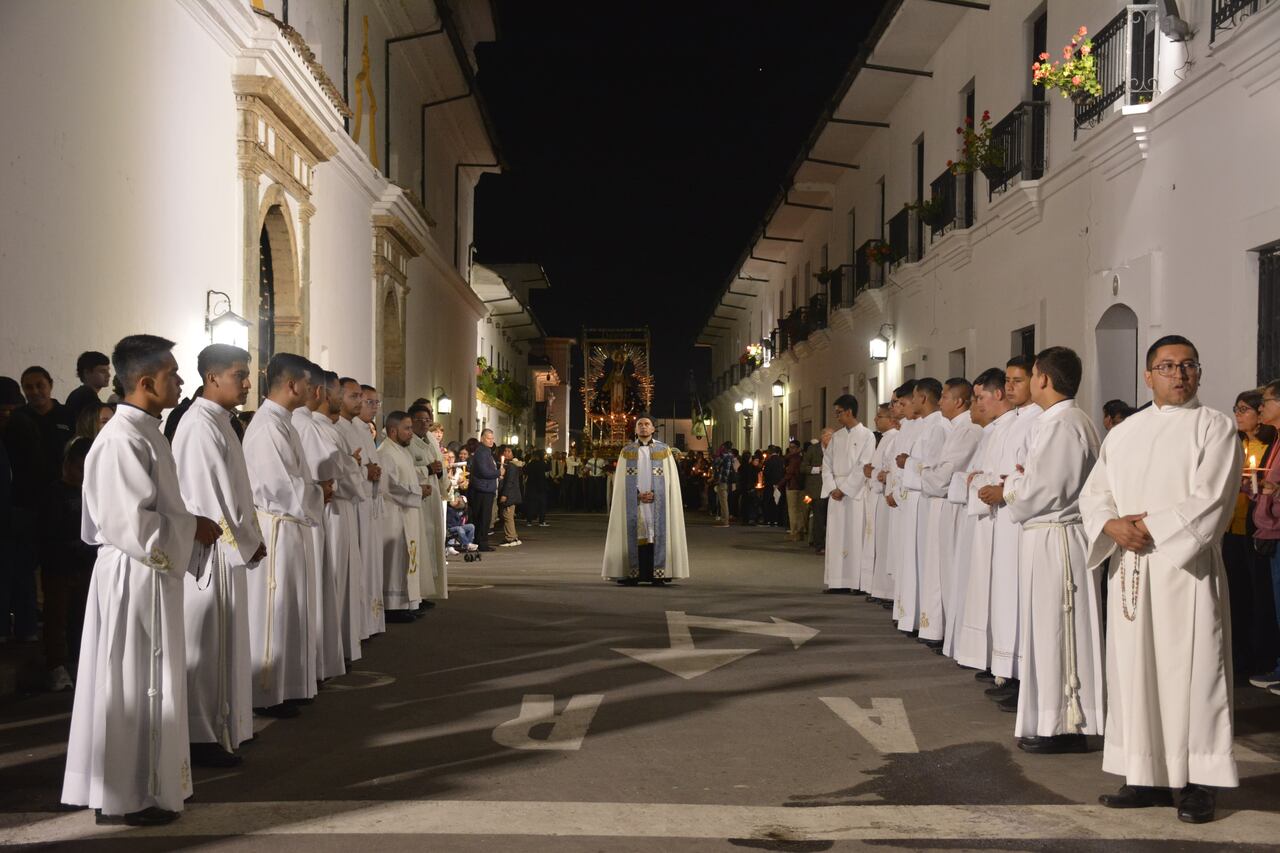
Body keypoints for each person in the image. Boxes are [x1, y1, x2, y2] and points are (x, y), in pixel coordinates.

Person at [63, 335, 221, 826]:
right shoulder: (121, 439)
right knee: (132, 685)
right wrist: (192, 527)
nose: (180, 381)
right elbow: (128, 523)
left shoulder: (147, 430)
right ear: (147, 382)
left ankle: (154, 783)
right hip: (134, 576)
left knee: (150, 681)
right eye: (173, 374)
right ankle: (129, 795)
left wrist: (188, 523)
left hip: (153, 572)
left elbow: (157, 508)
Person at [1081, 334, 1239, 824]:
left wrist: (1146, 526)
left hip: (1184, 571)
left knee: (1192, 674)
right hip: (1131, 567)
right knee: (1135, 671)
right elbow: (1095, 493)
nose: (1179, 374)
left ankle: (1197, 783)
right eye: (1167, 366)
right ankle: (1143, 773)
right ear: (1148, 376)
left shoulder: (1215, 427)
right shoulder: (1124, 433)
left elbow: (1211, 498)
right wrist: (1111, 525)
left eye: (1188, 365)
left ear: (1199, 373)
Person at [996, 347, 1104, 755]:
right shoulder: (1056, 422)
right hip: (1046, 537)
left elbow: (1043, 491)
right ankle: (1051, 719)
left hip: (1058, 540)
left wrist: (1010, 489)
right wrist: (1021, 483)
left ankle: (1068, 723)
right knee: (1046, 629)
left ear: (1043, 379)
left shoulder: (1065, 424)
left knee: (1060, 628)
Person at [171, 344, 267, 765]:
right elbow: (209, 499)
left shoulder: (219, 422)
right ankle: (201, 734)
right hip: (211, 555)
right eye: (239, 374)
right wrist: (244, 541)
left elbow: (235, 490)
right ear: (212, 377)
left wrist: (250, 535)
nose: (247, 383)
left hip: (228, 548)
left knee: (223, 644)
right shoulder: (198, 426)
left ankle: (225, 725)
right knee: (207, 646)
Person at [243, 353, 318, 718]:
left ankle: (290, 685)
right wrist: (318, 492)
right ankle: (268, 691)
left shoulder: (284, 422)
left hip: (291, 525)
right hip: (277, 526)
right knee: (276, 608)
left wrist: (312, 490)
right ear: (292, 385)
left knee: (292, 606)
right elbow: (279, 484)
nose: (311, 390)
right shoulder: (268, 425)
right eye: (306, 383)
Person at [975, 356, 1042, 709]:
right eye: (1009, 380)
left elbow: (1029, 473)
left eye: (1018, 380)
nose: (1011, 387)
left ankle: (1020, 675)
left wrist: (1005, 488)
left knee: (1018, 598)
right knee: (1004, 596)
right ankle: (1006, 668)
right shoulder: (1008, 422)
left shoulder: (1038, 422)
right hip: (1001, 517)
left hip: (1019, 519)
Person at [955, 369, 1016, 674]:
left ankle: (1007, 669)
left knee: (1004, 595)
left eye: (979, 398)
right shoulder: (995, 430)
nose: (975, 405)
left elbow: (1011, 476)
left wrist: (986, 482)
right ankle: (994, 662)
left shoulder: (1018, 426)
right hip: (989, 514)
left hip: (1009, 520)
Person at [915, 378, 982, 649]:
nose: (939, 401)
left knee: (951, 572)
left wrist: (922, 472)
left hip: (955, 508)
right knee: (942, 570)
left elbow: (942, 476)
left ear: (958, 401)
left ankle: (951, 633)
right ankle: (944, 630)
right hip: (946, 505)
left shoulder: (968, 430)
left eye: (943, 396)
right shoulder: (955, 428)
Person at [292, 368, 347, 681]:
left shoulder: (299, 423)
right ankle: (310, 666)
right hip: (305, 517)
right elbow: (330, 465)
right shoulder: (302, 423)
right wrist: (324, 487)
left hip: (309, 511)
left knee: (317, 591)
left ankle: (314, 663)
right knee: (311, 594)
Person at [1224, 389, 1279, 688]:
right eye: (1237, 408)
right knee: (1237, 595)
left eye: (1244, 409)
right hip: (1233, 526)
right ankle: (1240, 656)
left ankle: (1263, 657)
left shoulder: (1271, 443)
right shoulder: (1236, 442)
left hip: (1258, 525)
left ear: (1260, 413)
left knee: (1261, 597)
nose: (1238, 414)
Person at [38, 437, 96, 693]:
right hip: (59, 566)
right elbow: (48, 532)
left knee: (80, 617)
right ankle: (56, 666)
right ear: (68, 465)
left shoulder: (90, 493)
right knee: (57, 618)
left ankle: (76, 661)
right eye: (80, 468)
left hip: (84, 564)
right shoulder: (54, 493)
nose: (83, 475)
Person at [603, 415, 689, 585]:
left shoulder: (664, 451)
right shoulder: (627, 452)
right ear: (635, 429)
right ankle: (632, 574)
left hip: (657, 502)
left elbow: (671, 481)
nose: (643, 427)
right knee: (636, 535)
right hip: (634, 503)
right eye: (640, 424)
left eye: (647, 424)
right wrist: (636, 495)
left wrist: (657, 494)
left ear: (652, 429)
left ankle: (658, 575)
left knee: (655, 535)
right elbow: (620, 483)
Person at [318, 373, 366, 664]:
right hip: (329, 512)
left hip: (341, 507)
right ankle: (330, 653)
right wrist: (354, 466)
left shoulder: (331, 427)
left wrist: (354, 466)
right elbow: (334, 474)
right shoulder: (315, 427)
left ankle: (341, 647)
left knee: (343, 579)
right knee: (334, 580)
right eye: (343, 393)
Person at [893, 378, 948, 633]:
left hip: (927, 499)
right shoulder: (923, 426)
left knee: (924, 561)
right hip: (914, 499)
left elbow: (935, 468)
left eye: (913, 398)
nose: (911, 403)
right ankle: (912, 615)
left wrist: (909, 463)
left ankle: (926, 622)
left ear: (923, 399)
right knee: (912, 559)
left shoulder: (938, 427)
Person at [338, 379, 384, 637]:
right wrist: (365, 471)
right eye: (367, 401)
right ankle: (358, 625)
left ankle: (369, 622)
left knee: (369, 564)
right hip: (354, 504)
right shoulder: (344, 428)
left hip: (368, 504)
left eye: (375, 402)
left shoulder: (363, 429)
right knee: (359, 567)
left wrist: (372, 471)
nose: (373, 407)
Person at [1246, 382, 1280, 692]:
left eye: (1266, 401)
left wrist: (1274, 491)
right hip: (1269, 527)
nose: (1261, 408)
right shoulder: (1276, 442)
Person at [823, 396, 876, 594]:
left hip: (855, 492)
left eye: (838, 412)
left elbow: (864, 464)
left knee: (855, 535)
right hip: (836, 491)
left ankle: (856, 581)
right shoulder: (836, 437)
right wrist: (832, 487)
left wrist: (845, 488)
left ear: (849, 411)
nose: (836, 417)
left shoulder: (867, 436)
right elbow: (826, 465)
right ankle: (837, 580)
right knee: (836, 536)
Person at [378, 411, 425, 622]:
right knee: (396, 560)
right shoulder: (385, 453)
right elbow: (390, 486)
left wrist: (418, 488)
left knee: (408, 558)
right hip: (393, 515)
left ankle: (408, 602)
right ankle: (392, 606)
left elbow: (408, 477)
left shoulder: (402, 452)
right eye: (407, 428)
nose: (411, 433)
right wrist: (418, 492)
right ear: (393, 430)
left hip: (407, 511)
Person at [407, 408, 447, 603]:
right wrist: (427, 469)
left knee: (431, 544)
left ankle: (427, 590)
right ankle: (418, 594)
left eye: (428, 419)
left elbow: (438, 466)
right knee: (421, 546)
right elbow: (404, 470)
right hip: (417, 500)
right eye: (420, 419)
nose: (425, 423)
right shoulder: (406, 444)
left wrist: (439, 473)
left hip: (431, 497)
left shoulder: (430, 441)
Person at [866, 402, 901, 604]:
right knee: (880, 542)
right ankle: (880, 588)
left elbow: (890, 469)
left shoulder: (894, 437)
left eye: (879, 416)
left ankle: (888, 591)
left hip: (889, 495)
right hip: (879, 494)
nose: (875, 420)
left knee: (888, 543)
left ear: (891, 419)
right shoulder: (884, 439)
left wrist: (876, 474)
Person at [468, 429, 500, 551]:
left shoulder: (486, 451)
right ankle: (481, 542)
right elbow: (484, 471)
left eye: (492, 438)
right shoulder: (482, 452)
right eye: (488, 438)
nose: (491, 441)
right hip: (483, 489)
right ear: (482, 438)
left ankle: (481, 541)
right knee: (482, 517)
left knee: (485, 517)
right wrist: (498, 473)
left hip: (486, 488)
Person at [803, 431, 832, 553]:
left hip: (831, 488)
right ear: (823, 437)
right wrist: (818, 469)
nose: (831, 439)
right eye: (829, 436)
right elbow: (803, 467)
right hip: (817, 489)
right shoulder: (813, 449)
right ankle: (819, 545)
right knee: (818, 518)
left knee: (830, 518)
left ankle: (830, 544)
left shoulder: (835, 448)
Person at [65, 351, 112, 424]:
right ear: (87, 373)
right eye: (102, 371)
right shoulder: (86, 396)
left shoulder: (80, 393)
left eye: (108, 370)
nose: (108, 375)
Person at [498, 445, 524, 546]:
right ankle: (513, 536)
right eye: (505, 451)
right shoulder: (511, 465)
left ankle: (510, 538)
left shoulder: (512, 466)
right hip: (512, 494)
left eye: (509, 451)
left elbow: (509, 482)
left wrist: (504, 494)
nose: (506, 453)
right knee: (508, 516)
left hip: (510, 495)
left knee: (507, 516)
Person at [783, 440, 807, 542]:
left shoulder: (793, 458)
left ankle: (794, 532)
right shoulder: (802, 457)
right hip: (802, 486)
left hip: (793, 486)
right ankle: (801, 531)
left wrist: (779, 484)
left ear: (798, 448)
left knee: (793, 510)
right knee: (801, 510)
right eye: (790, 447)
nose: (791, 449)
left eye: (793, 447)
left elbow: (789, 473)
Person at [524, 451, 550, 527]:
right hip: (541, 486)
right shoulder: (542, 463)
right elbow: (548, 469)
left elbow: (525, 471)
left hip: (531, 486)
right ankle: (541, 521)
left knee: (531, 504)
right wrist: (547, 460)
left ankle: (529, 521)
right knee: (542, 504)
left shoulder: (530, 463)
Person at [714, 442, 735, 526]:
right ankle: (724, 519)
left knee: (723, 501)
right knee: (724, 500)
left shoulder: (724, 456)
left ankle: (725, 520)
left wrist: (716, 456)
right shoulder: (731, 456)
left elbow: (716, 464)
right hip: (728, 481)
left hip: (722, 480)